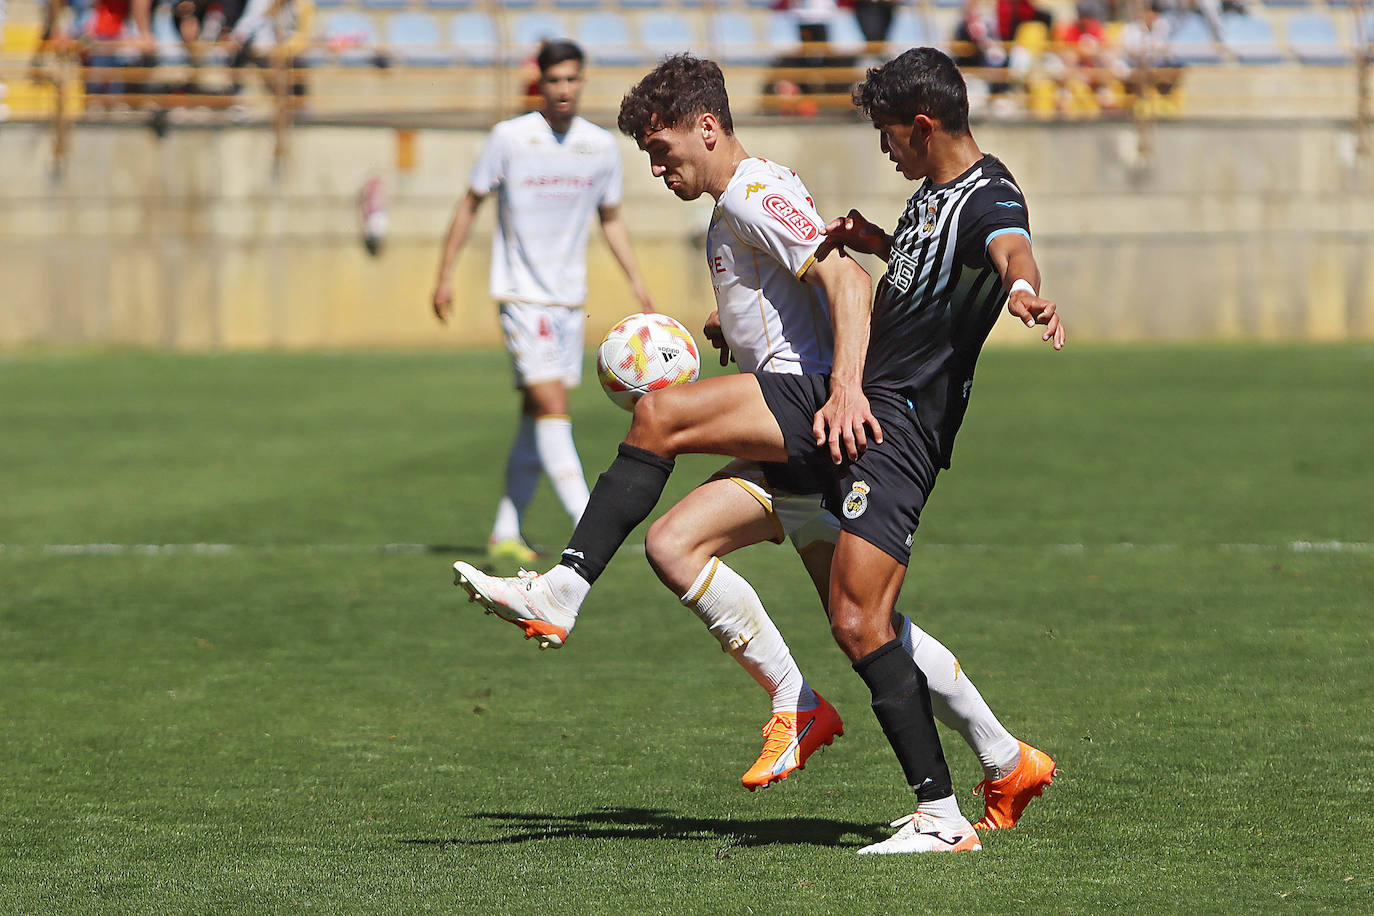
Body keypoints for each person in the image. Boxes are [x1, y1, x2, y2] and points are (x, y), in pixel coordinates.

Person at [455, 47, 1064, 855]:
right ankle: (995, 755)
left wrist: (1013, 291)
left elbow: (977, 254)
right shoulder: (920, 201)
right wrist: (832, 265)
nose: (658, 170)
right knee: (851, 617)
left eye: (663, 151)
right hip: (844, 414)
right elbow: (894, 277)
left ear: (705, 128)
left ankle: (567, 591)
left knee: (662, 421)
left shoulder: (776, 189)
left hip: (856, 415)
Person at [431, 39, 655, 568]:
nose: (563, 89)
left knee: (537, 414)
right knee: (554, 407)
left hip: (567, 302)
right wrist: (445, 273)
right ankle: (591, 523)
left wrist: (637, 282)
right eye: (554, 80)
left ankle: (505, 531)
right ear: (540, 82)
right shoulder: (510, 138)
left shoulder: (599, 147)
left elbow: (612, 218)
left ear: (582, 81)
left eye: (572, 80)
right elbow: (470, 203)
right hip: (520, 297)